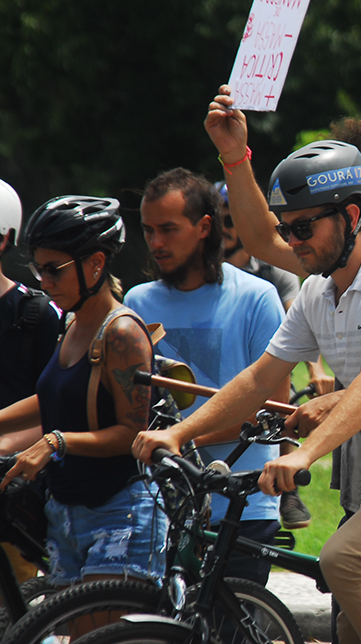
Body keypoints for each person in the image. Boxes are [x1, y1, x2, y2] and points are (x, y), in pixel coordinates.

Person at [131, 137, 361, 644]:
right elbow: (258, 378)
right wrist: (180, 433)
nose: (292, 241)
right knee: (353, 624)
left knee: (344, 560)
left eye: (303, 227)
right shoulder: (317, 291)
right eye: (286, 228)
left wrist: (303, 454)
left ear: (351, 216)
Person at [123, 168, 288, 585]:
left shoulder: (257, 298)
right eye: (148, 230)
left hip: (242, 506)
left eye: (168, 229)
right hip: (161, 505)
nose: (156, 243)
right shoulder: (136, 302)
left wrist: (181, 440)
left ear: (204, 227)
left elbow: (272, 410)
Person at [0, 195, 166, 589]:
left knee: (99, 623)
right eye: (39, 269)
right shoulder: (73, 323)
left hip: (119, 511)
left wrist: (56, 442)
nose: (44, 282)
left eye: (54, 270)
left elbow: (132, 433)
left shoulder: (121, 332)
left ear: (96, 263)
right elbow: (53, 398)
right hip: (66, 510)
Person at [216, 179, 332, 530]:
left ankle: (289, 485)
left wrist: (316, 370)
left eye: (232, 220)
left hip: (265, 355)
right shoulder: (206, 270)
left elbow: (300, 320)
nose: (226, 229)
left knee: (282, 391)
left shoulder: (274, 272)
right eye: (220, 220)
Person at [0, 179, 61, 585]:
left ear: (5, 238)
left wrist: (5, 446)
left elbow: (58, 405)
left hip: (14, 490)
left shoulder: (37, 313)